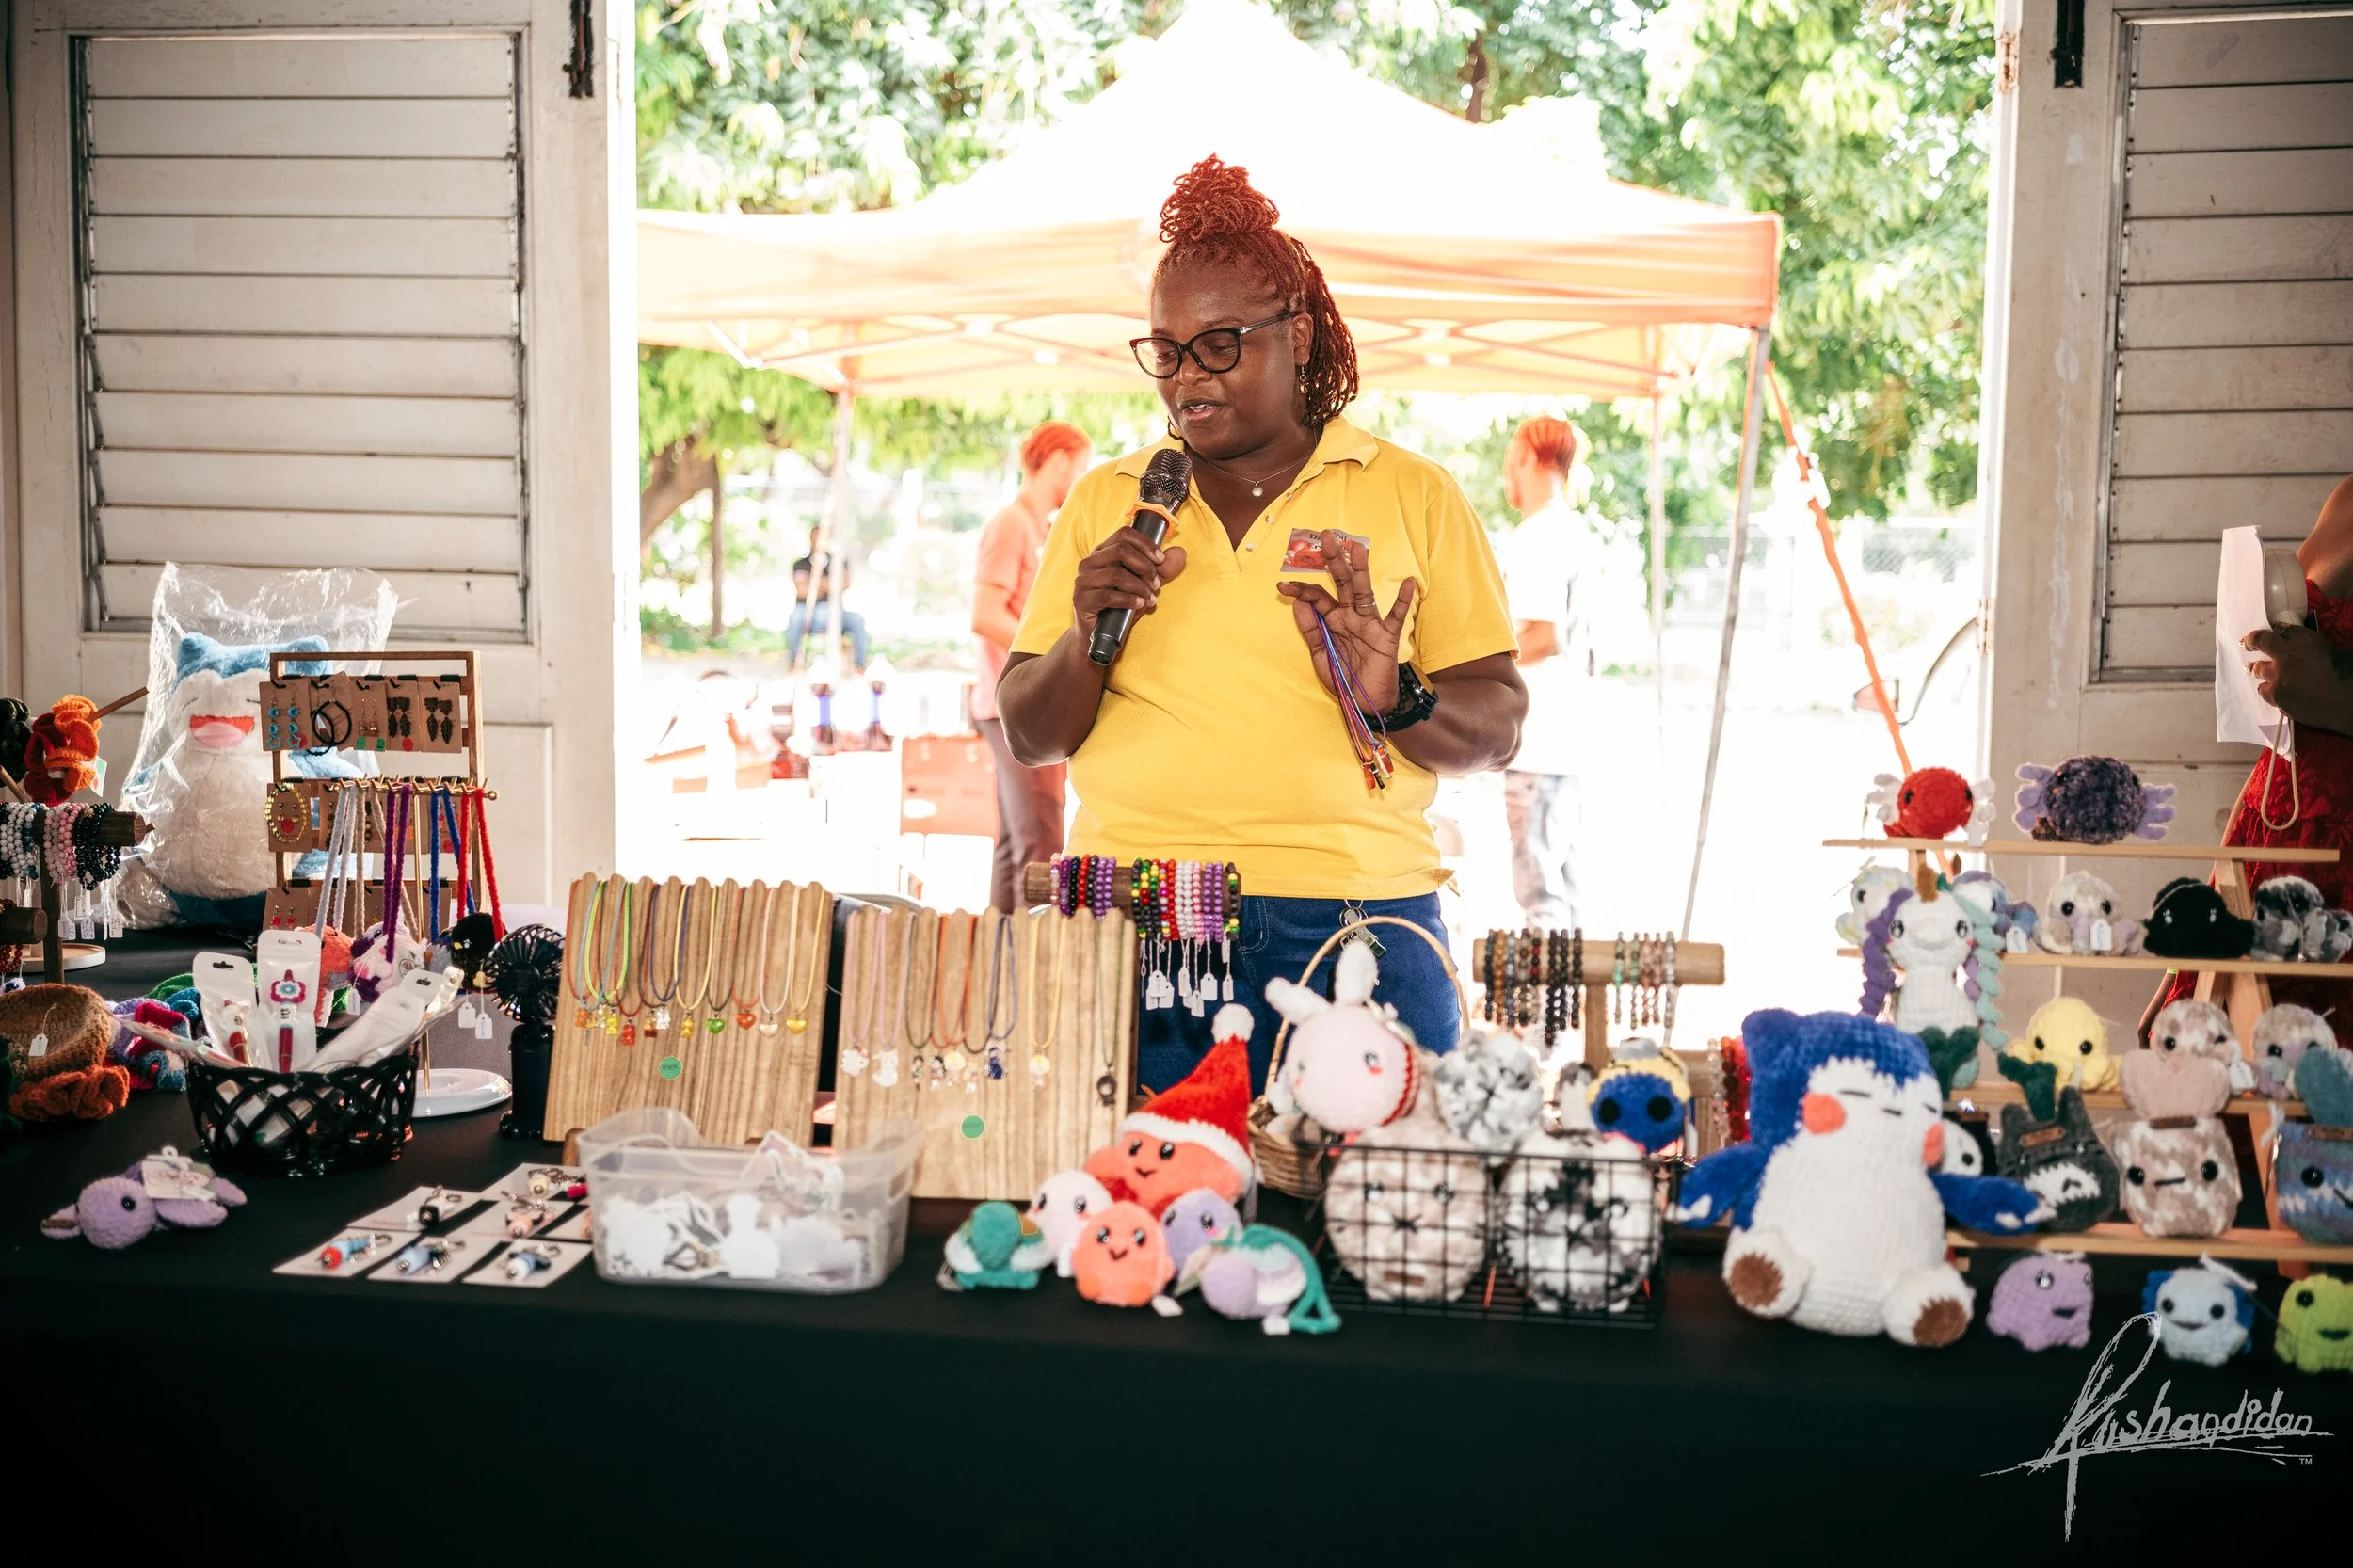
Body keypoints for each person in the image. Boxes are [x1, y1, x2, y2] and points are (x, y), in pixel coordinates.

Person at [996, 156, 1527, 1090]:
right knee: (1139, 1213)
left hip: (1360, 919)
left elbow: (1497, 725)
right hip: (1137, 915)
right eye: (1165, 350)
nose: (1184, 379)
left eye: (1219, 344)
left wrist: (1396, 694)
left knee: (1379, 1222)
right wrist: (1089, 631)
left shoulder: (1414, 494)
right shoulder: (1106, 503)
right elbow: (1033, 734)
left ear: (1303, 336)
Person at [2157, 473, 2353, 1042]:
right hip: (2272, 854)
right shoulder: (2346, 496)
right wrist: (2188, 953)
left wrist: (2342, 696)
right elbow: (2284, 750)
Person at [972, 422, 1094, 912]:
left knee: (1016, 844)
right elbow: (983, 615)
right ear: (1060, 461)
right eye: (1081, 468)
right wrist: (1046, 659)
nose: (1081, 481)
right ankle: (1029, 971)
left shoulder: (1037, 527)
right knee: (1040, 842)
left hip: (1013, 699)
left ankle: (999, 966)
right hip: (1016, 703)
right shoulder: (1012, 524)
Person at [1493, 417, 1595, 927]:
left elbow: (1542, 634)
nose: (1505, 473)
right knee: (1564, 889)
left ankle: (1543, 1009)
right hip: (1566, 740)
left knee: (1540, 897)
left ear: (1533, 457)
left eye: (1511, 458)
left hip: (1540, 743)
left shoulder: (1540, 535)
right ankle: (1571, 1005)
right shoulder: (1574, 531)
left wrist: (1480, 665)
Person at [785, 541, 870, 669]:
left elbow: (844, 585)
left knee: (857, 620)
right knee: (795, 619)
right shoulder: (800, 564)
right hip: (807, 611)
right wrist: (829, 584)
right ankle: (795, 663)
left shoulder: (837, 562)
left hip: (835, 611)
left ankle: (859, 666)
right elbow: (803, 591)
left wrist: (814, 581)